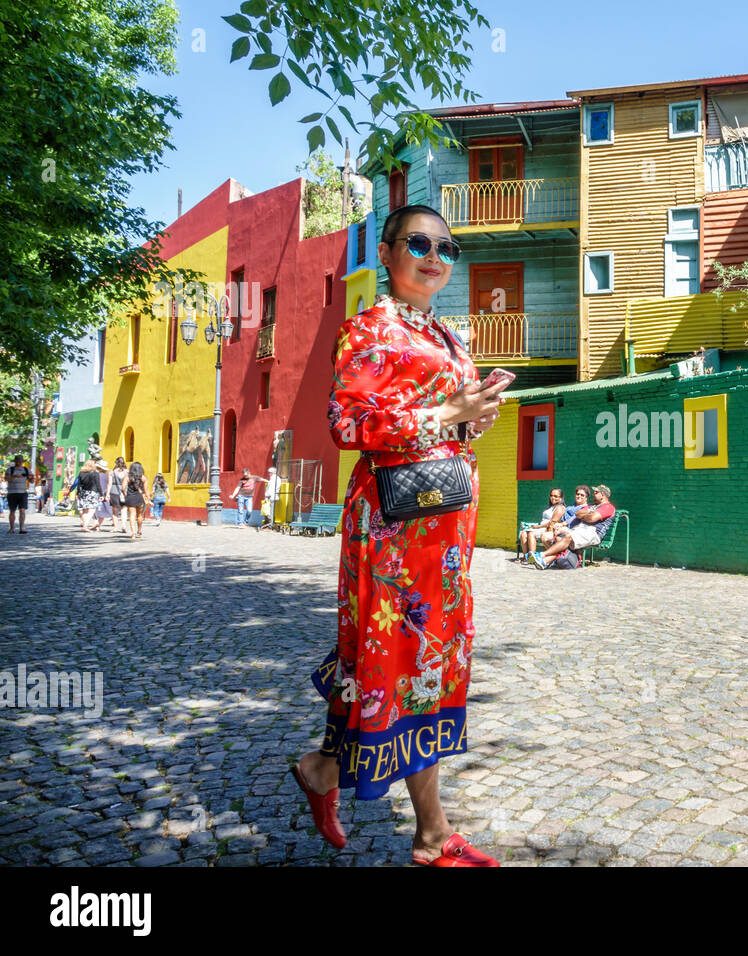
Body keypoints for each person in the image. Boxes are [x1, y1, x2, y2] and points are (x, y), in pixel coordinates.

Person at [291, 203, 509, 867]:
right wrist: (449, 411)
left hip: (443, 531)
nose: (434, 256)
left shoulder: (450, 339)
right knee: (405, 663)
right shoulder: (367, 329)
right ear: (386, 253)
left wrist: (476, 418)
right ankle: (433, 833)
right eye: (418, 242)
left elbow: (452, 424)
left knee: (403, 665)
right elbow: (348, 425)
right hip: (390, 532)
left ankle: (324, 772)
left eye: (447, 248)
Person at [529, 484, 616, 568]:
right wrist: (588, 515)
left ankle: (541, 555)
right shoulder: (592, 506)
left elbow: (592, 518)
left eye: (596, 492)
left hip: (593, 533)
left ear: (603, 495)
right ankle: (545, 561)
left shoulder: (608, 507)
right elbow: (578, 513)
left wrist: (586, 515)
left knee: (568, 537)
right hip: (580, 529)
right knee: (557, 537)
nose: (594, 494)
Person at [517, 487, 569, 559]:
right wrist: (530, 525)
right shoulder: (552, 507)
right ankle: (526, 557)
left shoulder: (560, 507)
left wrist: (535, 526)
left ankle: (533, 558)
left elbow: (552, 523)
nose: (552, 497)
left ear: (561, 498)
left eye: (556, 496)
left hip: (547, 529)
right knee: (523, 533)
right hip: (541, 527)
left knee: (531, 533)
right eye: (551, 495)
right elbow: (543, 522)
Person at [74, 461, 106, 532]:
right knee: (92, 510)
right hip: (92, 493)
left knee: (85, 510)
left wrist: (78, 493)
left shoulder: (81, 473)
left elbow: (79, 485)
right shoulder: (95, 473)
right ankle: (85, 526)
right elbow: (98, 485)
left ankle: (84, 525)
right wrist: (101, 494)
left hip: (83, 492)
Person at [6, 455, 34, 534]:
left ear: (22, 462)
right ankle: (12, 528)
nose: (19, 463)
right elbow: (7, 479)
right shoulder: (10, 470)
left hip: (23, 493)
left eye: (20, 461)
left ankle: (22, 528)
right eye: (17, 461)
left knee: (22, 511)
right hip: (12, 493)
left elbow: (31, 481)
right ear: (15, 462)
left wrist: (31, 477)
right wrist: (14, 476)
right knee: (12, 511)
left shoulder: (26, 470)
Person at [123, 462, 147, 539]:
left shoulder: (128, 477)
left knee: (132, 515)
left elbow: (123, 488)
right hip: (139, 497)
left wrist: (125, 494)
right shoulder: (143, 478)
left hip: (130, 497)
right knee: (140, 515)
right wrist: (148, 499)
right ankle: (139, 532)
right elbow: (146, 490)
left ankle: (133, 533)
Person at [107, 457, 128, 533]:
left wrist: (107, 494)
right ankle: (124, 526)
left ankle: (115, 527)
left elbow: (109, 484)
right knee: (124, 510)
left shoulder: (112, 472)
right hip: (125, 492)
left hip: (114, 492)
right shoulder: (127, 472)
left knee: (115, 511)